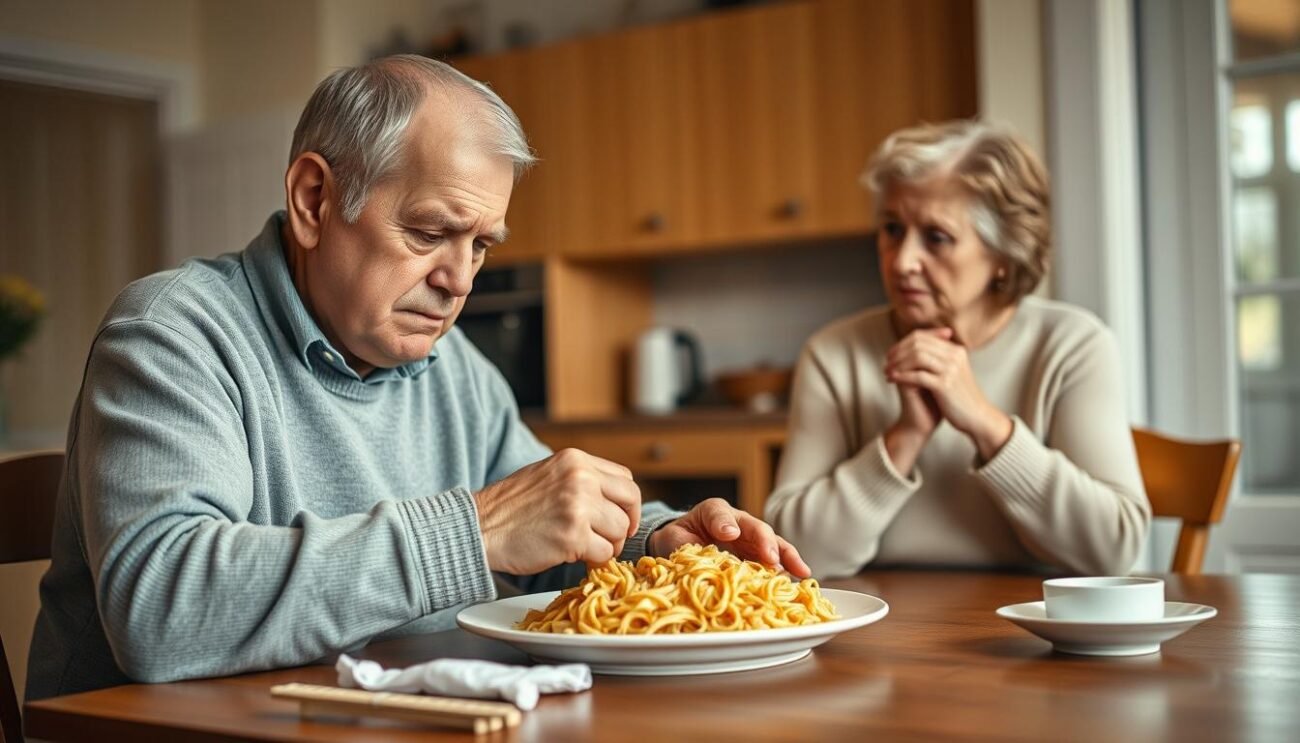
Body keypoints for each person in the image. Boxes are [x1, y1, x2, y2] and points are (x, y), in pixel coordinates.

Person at [27, 55, 806, 700]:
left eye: (481, 246)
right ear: (313, 199)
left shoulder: (453, 367)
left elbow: (547, 522)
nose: (459, 279)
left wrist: (654, 539)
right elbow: (160, 611)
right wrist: (476, 529)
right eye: (431, 232)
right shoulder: (172, 333)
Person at [764, 120, 1150, 579]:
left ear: (1004, 255)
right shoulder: (833, 355)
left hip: (1041, 632)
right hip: (874, 632)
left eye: (937, 237)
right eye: (892, 229)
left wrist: (988, 426)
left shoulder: (1074, 347)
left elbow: (1115, 551)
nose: (903, 261)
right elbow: (790, 556)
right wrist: (904, 436)